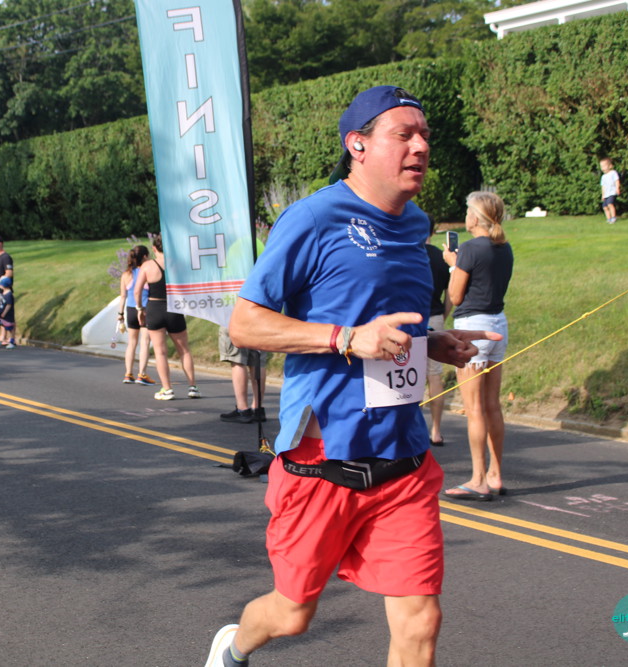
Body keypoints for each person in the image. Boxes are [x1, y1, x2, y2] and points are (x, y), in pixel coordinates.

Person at [204, 85, 501, 667]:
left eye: (425, 135)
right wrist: (344, 338)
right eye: (403, 135)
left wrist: (432, 343)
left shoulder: (415, 226)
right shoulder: (314, 218)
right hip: (322, 462)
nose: (421, 146)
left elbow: (387, 321)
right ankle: (232, 649)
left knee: (421, 620)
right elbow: (245, 324)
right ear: (357, 145)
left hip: (402, 462)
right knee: (292, 614)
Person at [442, 191, 514, 501]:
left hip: (472, 326)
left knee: (473, 409)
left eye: (468, 211)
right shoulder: (504, 247)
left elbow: (455, 296)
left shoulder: (471, 248)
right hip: (498, 324)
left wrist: (452, 265)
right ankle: (495, 474)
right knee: (492, 404)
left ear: (475, 217)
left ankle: (478, 479)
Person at [133, 234, 199, 401]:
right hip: (174, 307)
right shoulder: (177, 263)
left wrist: (139, 308)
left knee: (160, 352)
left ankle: (167, 389)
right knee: (184, 350)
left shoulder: (147, 266)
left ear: (154, 248)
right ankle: (193, 387)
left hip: (155, 308)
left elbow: (137, 290)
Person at [425, 215, 452, 446]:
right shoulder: (441, 257)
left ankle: (411, 428)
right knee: (434, 374)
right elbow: (450, 292)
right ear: (433, 232)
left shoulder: (409, 254)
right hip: (435, 315)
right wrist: (444, 315)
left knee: (408, 373)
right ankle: (436, 430)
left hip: (411, 318)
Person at [118, 244, 155, 385]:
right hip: (144, 309)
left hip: (130, 310)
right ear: (145, 257)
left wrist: (120, 314)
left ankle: (128, 374)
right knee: (144, 342)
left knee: (131, 343)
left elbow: (123, 296)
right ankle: (142, 374)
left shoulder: (126, 274)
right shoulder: (147, 273)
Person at [218, 326, 268, 424]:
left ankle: (243, 409)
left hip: (237, 321)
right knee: (258, 360)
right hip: (259, 321)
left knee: (238, 360)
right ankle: (257, 408)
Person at [0, 276, 16, 349]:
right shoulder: (3, 292)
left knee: (10, 328)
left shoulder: (9, 295)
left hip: (7, 314)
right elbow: (1, 300)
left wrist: (4, 313)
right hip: (0, 312)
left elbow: (9, 305)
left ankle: (12, 341)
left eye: (0, 284)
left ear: (4, 285)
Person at [600, 158, 621, 224]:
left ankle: (613, 217)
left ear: (610, 166)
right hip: (606, 194)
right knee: (605, 207)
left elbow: (617, 181)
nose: (602, 168)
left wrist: (617, 188)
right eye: (601, 167)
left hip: (612, 192)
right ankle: (608, 219)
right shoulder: (603, 176)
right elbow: (603, 186)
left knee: (610, 204)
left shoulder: (613, 173)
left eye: (604, 166)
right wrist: (603, 195)